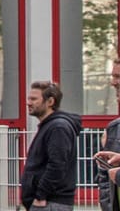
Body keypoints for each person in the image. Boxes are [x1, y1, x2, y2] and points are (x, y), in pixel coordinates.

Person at [20, 80, 80, 211]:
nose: (28, 103)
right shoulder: (50, 126)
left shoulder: (58, 127)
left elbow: (57, 165)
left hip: (50, 203)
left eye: (34, 99)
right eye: (29, 98)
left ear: (50, 102)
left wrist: (41, 195)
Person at [94, 59, 120, 211]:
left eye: (118, 76)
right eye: (113, 77)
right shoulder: (113, 128)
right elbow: (104, 177)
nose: (113, 82)